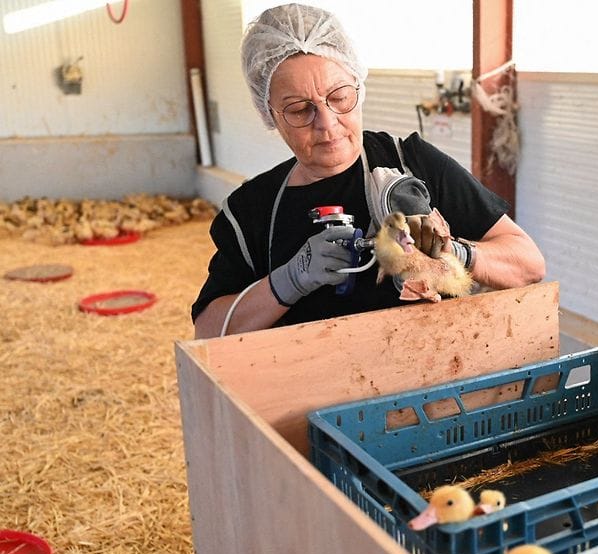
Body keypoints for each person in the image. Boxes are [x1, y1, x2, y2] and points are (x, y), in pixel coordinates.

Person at [192, 3, 545, 338]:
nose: (327, 125)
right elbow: (208, 331)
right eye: (300, 109)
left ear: (359, 87)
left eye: (340, 97)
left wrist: (455, 251)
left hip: (435, 374)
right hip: (315, 389)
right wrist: (289, 281)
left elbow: (528, 264)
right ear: (269, 114)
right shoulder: (251, 211)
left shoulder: (412, 163)